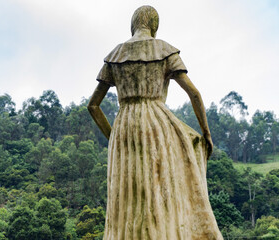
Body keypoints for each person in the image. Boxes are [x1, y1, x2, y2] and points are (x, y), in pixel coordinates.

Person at [88, 5, 223, 240]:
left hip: (124, 126)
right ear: (154, 26)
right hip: (156, 124)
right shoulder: (163, 49)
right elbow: (194, 94)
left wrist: (113, 139)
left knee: (129, 194)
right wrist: (206, 134)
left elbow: (93, 105)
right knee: (159, 186)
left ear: (133, 25)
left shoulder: (116, 54)